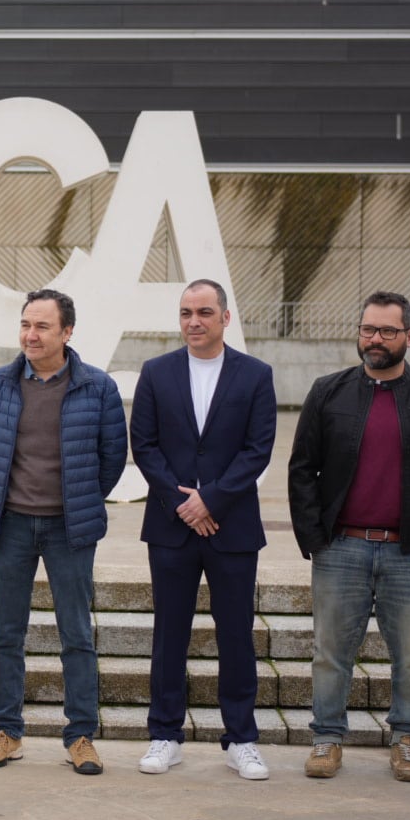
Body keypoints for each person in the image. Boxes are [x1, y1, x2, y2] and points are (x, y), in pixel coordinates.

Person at [288, 291, 410, 782]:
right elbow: (302, 468)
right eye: (368, 329)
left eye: (387, 331)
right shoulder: (328, 391)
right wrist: (314, 537)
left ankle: (407, 740)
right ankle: (327, 739)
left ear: (409, 336)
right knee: (330, 653)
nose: (375, 339)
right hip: (341, 547)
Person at [0, 289, 127, 775]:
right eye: (25, 325)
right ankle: (7, 731)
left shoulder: (96, 388)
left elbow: (111, 460)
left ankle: (80, 735)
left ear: (67, 331)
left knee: (76, 633)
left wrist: (76, 500)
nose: (30, 335)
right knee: (7, 633)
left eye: (42, 326)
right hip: (11, 524)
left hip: (70, 528)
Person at [130, 278, 276, 780]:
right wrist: (182, 502)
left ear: (225, 318)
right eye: (187, 312)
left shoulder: (255, 375)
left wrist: (210, 499)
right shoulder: (156, 372)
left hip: (231, 528)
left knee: (235, 634)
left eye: (205, 312)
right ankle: (165, 735)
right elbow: (144, 446)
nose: (195, 321)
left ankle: (241, 738)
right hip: (171, 528)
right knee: (169, 634)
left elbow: (258, 449)